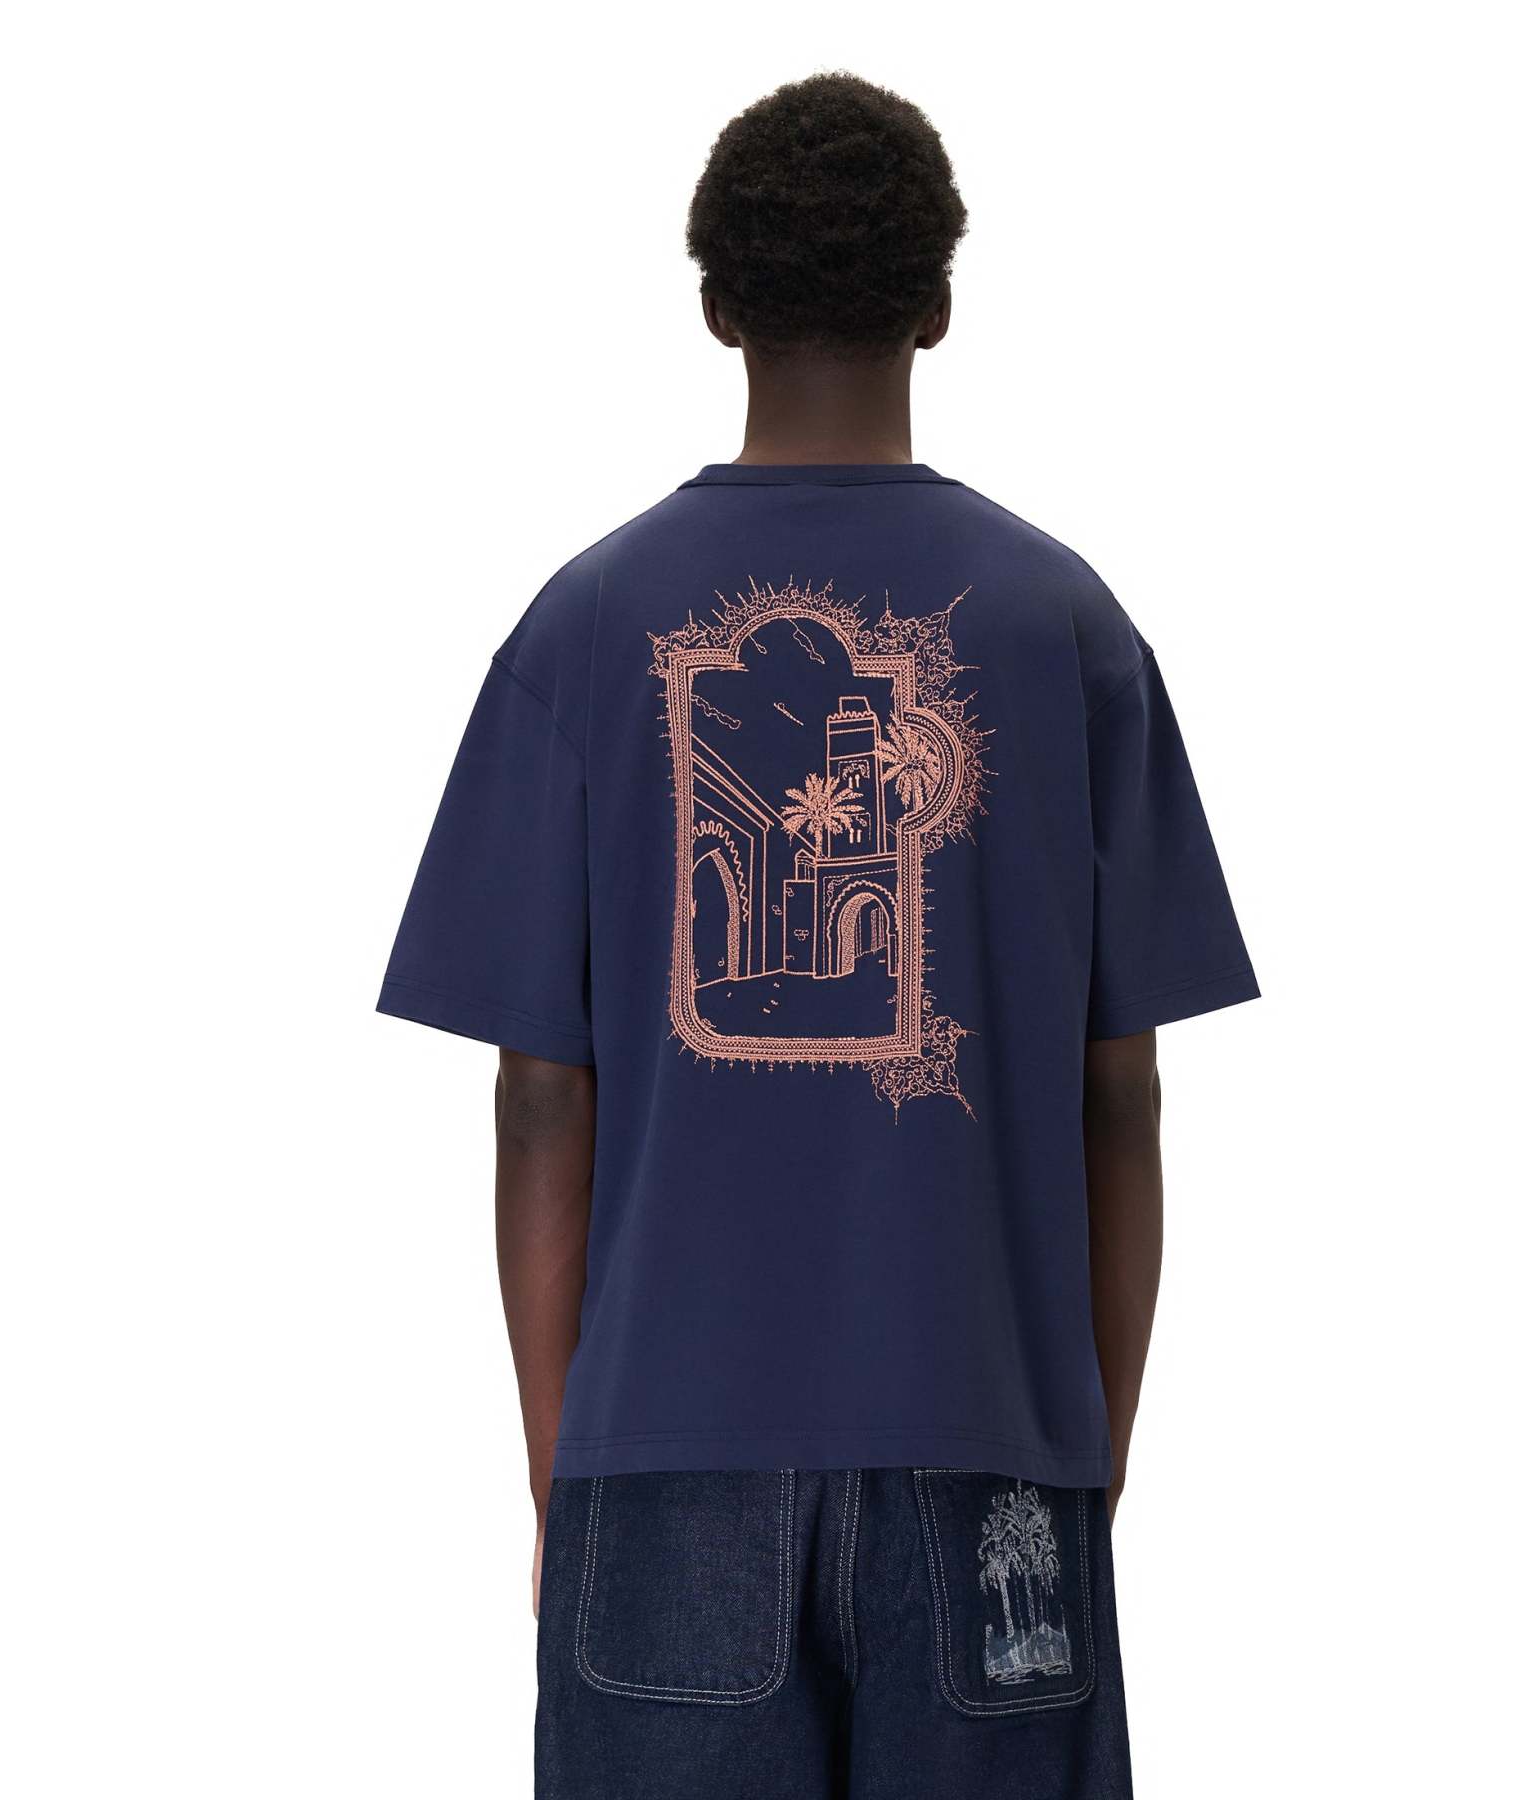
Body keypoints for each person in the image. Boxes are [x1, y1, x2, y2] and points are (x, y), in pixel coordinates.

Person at [379, 71, 1256, 1800]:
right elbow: (1122, 1099)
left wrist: (566, 1468)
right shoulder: (1064, 626)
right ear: (940, 305)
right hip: (989, 1439)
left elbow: (542, 1100)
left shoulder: (588, 623)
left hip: (664, 1450)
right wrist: (1083, 1456)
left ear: (716, 306)